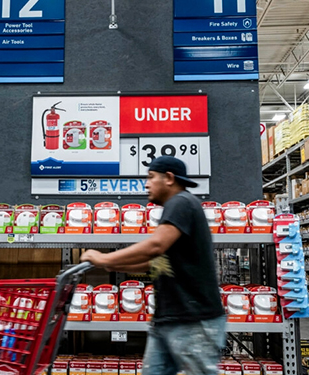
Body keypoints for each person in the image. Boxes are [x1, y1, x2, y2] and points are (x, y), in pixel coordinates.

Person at [80, 156, 226, 375]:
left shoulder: (181, 202)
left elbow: (156, 246)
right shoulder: (177, 207)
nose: (146, 184)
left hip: (193, 321)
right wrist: (114, 266)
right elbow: (157, 263)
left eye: (150, 177)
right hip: (168, 320)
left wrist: (104, 259)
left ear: (168, 178)